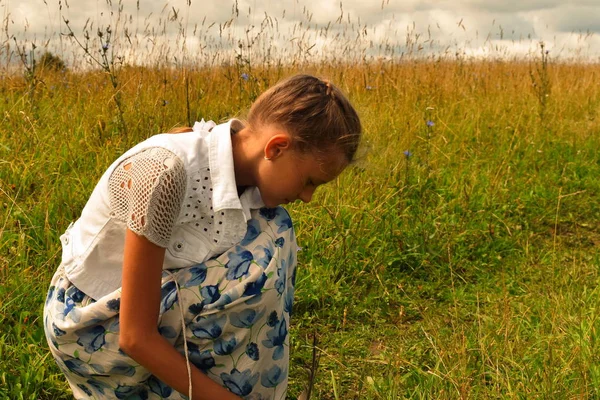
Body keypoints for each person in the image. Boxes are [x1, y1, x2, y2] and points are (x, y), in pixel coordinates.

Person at [43, 74, 361, 399]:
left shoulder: (240, 171)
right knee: (258, 265)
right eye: (310, 181)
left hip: (146, 304)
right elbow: (135, 337)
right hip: (91, 324)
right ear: (276, 147)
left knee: (274, 230)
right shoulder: (162, 175)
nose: (308, 197)